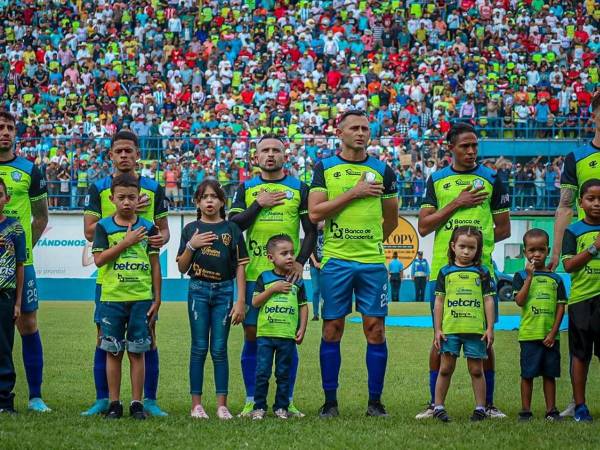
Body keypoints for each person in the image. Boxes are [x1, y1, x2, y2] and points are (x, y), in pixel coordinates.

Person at [416, 122, 510, 420]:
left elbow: (504, 228)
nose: (471, 151)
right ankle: (435, 404)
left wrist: (475, 248)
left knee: (485, 338)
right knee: (440, 337)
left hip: (481, 274)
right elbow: (424, 225)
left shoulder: (493, 178)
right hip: (443, 274)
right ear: (450, 148)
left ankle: (489, 404)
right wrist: (458, 203)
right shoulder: (438, 179)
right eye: (464, 146)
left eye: (475, 146)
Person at [309, 110, 398, 418]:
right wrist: (355, 192)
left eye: (365, 128)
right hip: (336, 262)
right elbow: (315, 213)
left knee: (376, 330)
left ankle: (375, 403)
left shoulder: (383, 170)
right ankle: (330, 402)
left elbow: (391, 219)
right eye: (354, 128)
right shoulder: (325, 167)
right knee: (332, 328)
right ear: (340, 133)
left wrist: (370, 242)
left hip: (372, 263)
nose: (361, 133)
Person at [83, 130, 170, 417]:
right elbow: (89, 230)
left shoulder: (154, 188)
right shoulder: (98, 188)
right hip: (109, 280)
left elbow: (164, 231)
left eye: (128, 151)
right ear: (111, 155)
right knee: (105, 338)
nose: (123, 156)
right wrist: (124, 225)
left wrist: (157, 238)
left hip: (140, 282)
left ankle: (149, 400)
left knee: (147, 335)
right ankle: (103, 399)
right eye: (118, 151)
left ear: (137, 154)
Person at [230, 135, 316, 418]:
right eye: (264, 150)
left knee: (287, 339)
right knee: (253, 338)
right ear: (255, 157)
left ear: (285, 155)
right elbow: (233, 225)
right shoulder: (247, 188)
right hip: (256, 277)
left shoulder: (299, 188)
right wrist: (259, 204)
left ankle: (286, 400)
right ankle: (252, 399)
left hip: (288, 278)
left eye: (276, 150)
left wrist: (300, 262)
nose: (270, 155)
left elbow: (311, 231)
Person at [92, 173, 162, 420]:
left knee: (137, 351)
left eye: (132, 197)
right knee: (113, 351)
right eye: (121, 198)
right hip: (112, 298)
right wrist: (126, 241)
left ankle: (136, 403)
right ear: (112, 199)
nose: (126, 202)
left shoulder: (149, 227)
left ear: (138, 199)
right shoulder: (103, 227)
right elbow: (99, 260)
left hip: (141, 299)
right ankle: (114, 403)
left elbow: (155, 264)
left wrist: (157, 298)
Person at [176, 180, 248, 420]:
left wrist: (240, 301)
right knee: (198, 348)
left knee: (219, 349)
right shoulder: (191, 229)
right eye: (204, 197)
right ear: (197, 202)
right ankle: (196, 405)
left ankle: (221, 405)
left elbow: (240, 267)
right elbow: (183, 267)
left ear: (221, 201)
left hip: (224, 292)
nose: (209, 201)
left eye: (214, 196)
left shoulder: (231, 230)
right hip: (197, 290)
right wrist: (191, 245)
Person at [549, 93, 600, 417]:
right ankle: (577, 402)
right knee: (580, 345)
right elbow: (566, 205)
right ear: (594, 115)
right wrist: (557, 250)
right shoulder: (577, 158)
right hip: (586, 268)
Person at [0, 111, 49, 412]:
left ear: (16, 133)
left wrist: (19, 249)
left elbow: (41, 217)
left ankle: (35, 396)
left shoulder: (30, 169)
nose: (4, 132)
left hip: (18, 263)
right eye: (0, 127)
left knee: (28, 324)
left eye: (9, 127)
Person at [432, 226, 495, 422]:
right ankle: (438, 407)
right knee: (445, 369)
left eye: (471, 248)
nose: (466, 251)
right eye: (462, 246)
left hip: (475, 331)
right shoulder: (445, 272)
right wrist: (438, 329)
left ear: (478, 250)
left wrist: (490, 328)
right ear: (453, 246)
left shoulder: (482, 272)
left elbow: (488, 300)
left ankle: (480, 408)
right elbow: (439, 302)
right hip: (450, 330)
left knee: (477, 370)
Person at [249, 234, 308, 419]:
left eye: (292, 253)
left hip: (286, 335)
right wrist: (273, 289)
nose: (290, 257)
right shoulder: (264, 277)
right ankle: (259, 407)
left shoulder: (297, 279)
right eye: (284, 253)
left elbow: (303, 306)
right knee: (262, 373)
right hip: (266, 334)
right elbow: (255, 302)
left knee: (283, 373)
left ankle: (281, 407)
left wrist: (302, 327)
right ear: (271, 257)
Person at [513, 228, 566, 422]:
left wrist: (553, 333)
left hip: (550, 337)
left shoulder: (556, 279)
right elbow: (519, 301)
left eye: (541, 250)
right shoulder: (520, 276)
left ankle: (551, 410)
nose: (536, 254)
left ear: (548, 250)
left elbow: (561, 307)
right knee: (527, 375)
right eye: (532, 250)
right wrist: (529, 278)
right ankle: (525, 411)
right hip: (529, 335)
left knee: (549, 375)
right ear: (525, 251)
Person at [561, 179, 600, 422]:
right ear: (581, 202)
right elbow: (568, 265)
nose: (597, 204)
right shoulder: (573, 231)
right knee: (580, 355)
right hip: (582, 301)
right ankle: (580, 405)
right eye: (591, 199)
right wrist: (594, 248)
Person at [0, 177, 26, 414]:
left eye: (0, 194)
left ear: (6, 199)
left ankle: (4, 401)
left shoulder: (15, 228)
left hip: (4, 297)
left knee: (4, 348)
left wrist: (17, 302)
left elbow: (20, 266)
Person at [309, 221, 324, 320]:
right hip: (314, 266)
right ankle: (315, 315)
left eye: (321, 221)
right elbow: (309, 249)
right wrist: (315, 262)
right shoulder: (311, 234)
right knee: (315, 291)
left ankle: (324, 314)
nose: (319, 223)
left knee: (325, 291)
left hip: (326, 266)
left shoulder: (329, 234)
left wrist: (323, 264)